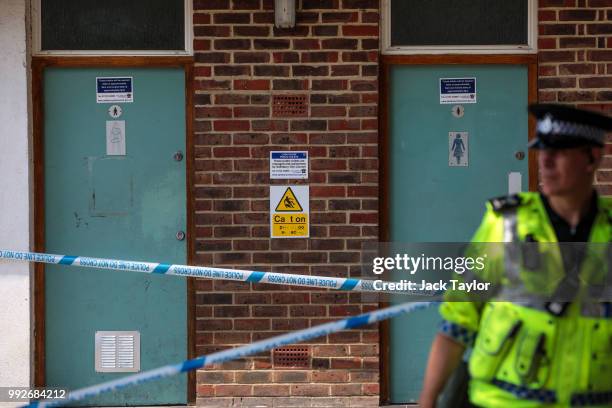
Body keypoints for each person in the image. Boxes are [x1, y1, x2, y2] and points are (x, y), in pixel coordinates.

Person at [419, 104, 612, 407]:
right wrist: (427, 400)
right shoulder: (506, 223)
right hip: (502, 400)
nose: (545, 161)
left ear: (592, 157)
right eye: (541, 150)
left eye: (559, 151)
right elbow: (457, 323)